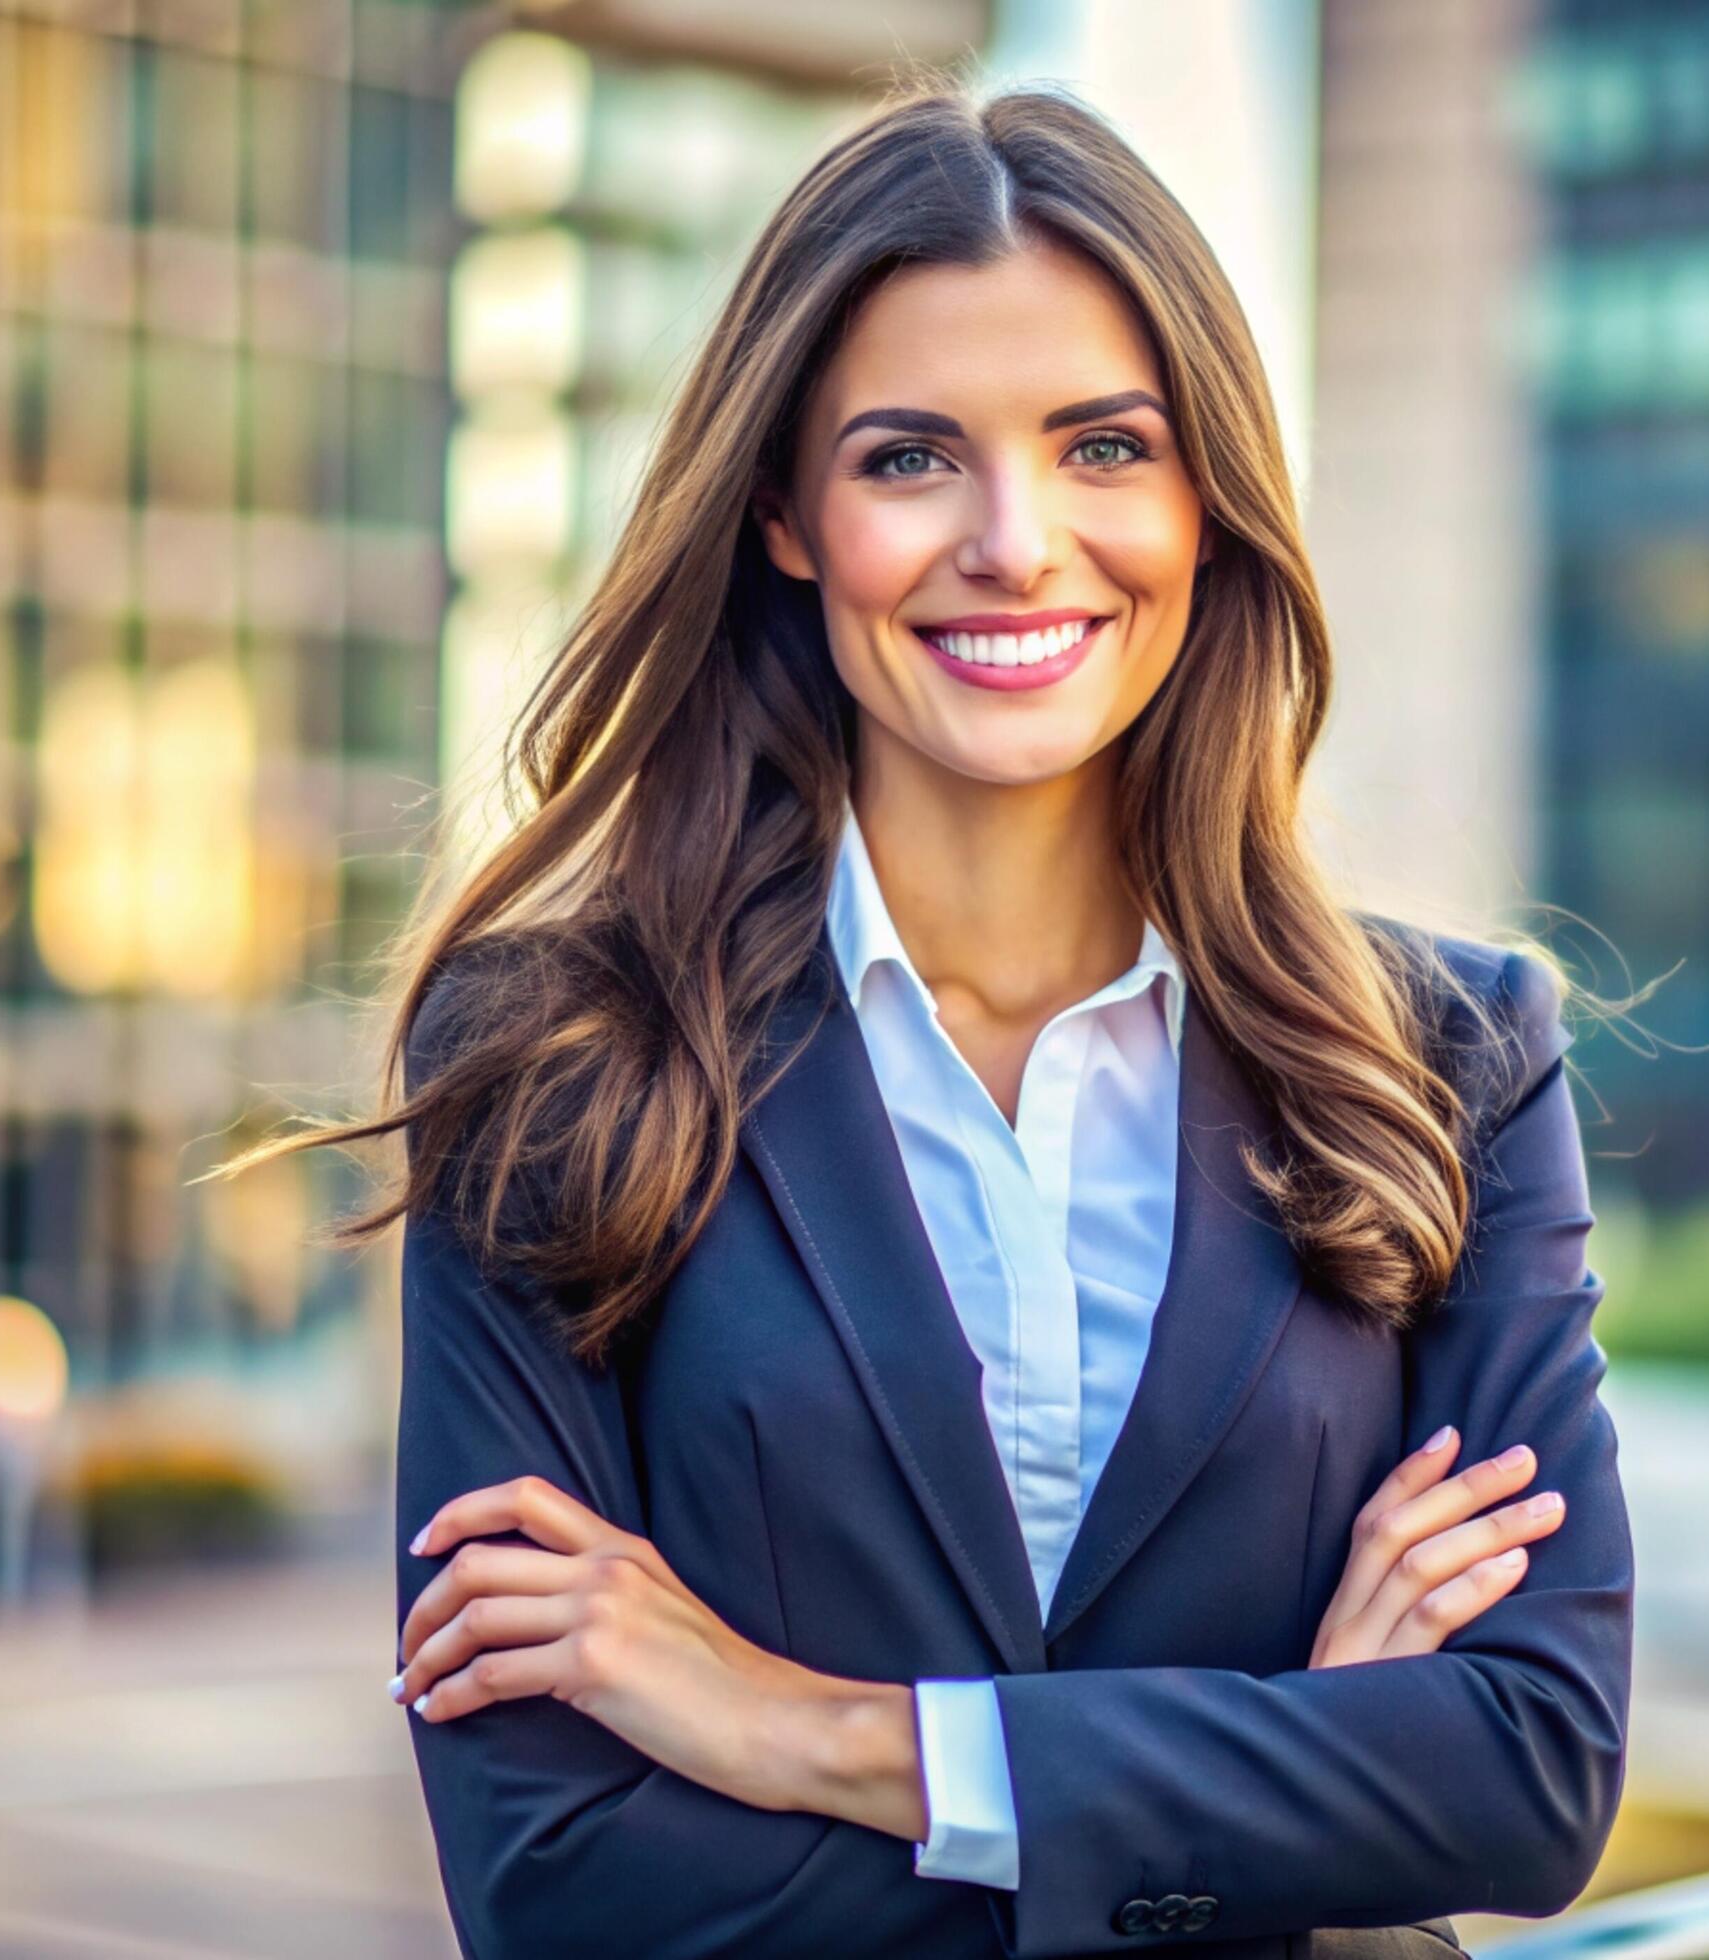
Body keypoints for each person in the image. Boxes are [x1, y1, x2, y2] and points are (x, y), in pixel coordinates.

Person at [233, 78, 1630, 1958]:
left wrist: (806, 1733)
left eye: (1102, 447)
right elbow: (559, 1891)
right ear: (790, 518)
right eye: (908, 459)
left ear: (1205, 499)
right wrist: (1303, 1774)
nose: (1015, 541)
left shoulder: (1448, 1062)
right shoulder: (555, 1068)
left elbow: (1531, 1776)